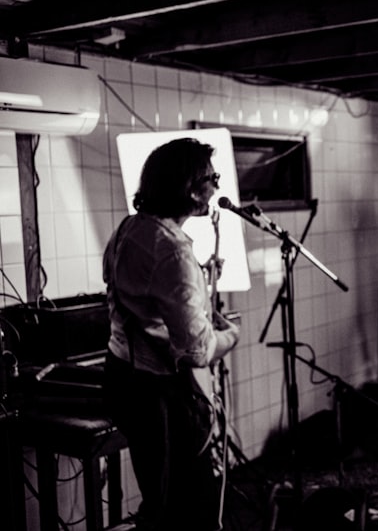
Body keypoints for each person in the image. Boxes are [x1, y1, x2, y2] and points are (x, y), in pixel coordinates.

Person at [102, 138, 240, 530]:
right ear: (188, 187)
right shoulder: (173, 249)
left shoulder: (129, 228)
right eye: (210, 177)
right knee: (188, 508)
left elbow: (145, 297)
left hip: (122, 379)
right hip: (156, 392)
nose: (216, 186)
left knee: (162, 499)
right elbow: (197, 351)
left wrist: (201, 277)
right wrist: (232, 337)